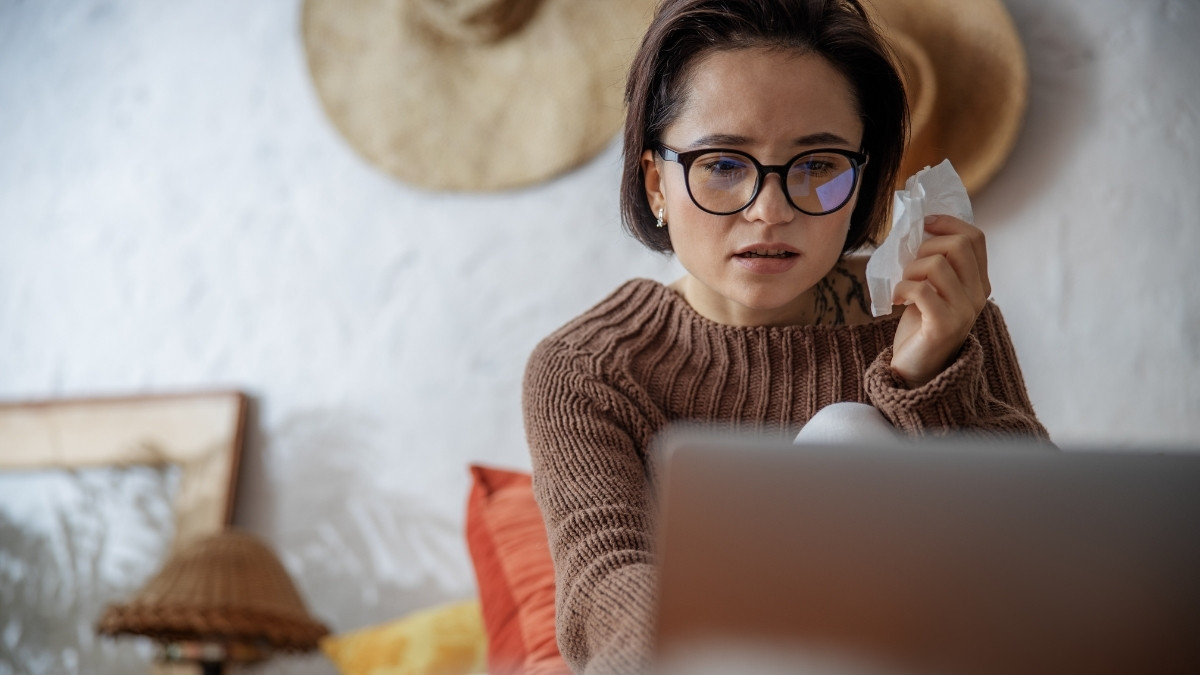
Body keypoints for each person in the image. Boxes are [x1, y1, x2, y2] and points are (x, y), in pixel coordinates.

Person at [522, 0, 1049, 672]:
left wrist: (923, 374)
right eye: (722, 164)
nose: (768, 211)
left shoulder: (936, 313)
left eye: (818, 165)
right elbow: (607, 585)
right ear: (657, 182)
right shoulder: (588, 368)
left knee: (849, 433)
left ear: (861, 182)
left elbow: (1037, 564)